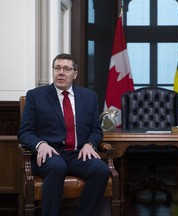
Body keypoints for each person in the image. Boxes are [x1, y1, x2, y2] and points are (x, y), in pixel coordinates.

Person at [17, 53, 110, 216]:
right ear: (52, 71)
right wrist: (41, 144)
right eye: (57, 68)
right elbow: (25, 132)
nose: (61, 72)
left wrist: (90, 144)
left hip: (76, 154)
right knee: (57, 166)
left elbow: (96, 130)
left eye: (67, 69)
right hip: (49, 155)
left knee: (101, 169)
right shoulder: (36, 96)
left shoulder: (89, 97)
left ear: (75, 74)